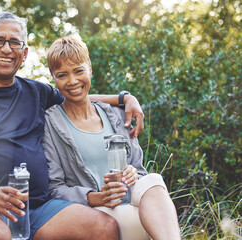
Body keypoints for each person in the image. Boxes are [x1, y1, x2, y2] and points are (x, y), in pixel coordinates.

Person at [0, 12, 145, 240]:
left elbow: (76, 94)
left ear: (24, 55)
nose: (6, 49)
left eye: (15, 43)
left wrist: (124, 98)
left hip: (37, 207)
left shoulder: (36, 92)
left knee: (103, 227)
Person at [42, 35, 181, 240]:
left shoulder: (116, 115)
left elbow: (140, 173)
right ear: (53, 77)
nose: (72, 81)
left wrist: (133, 174)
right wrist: (97, 198)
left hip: (133, 207)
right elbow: (55, 188)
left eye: (79, 71)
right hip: (94, 216)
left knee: (153, 180)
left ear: (89, 68)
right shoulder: (51, 123)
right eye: (62, 75)